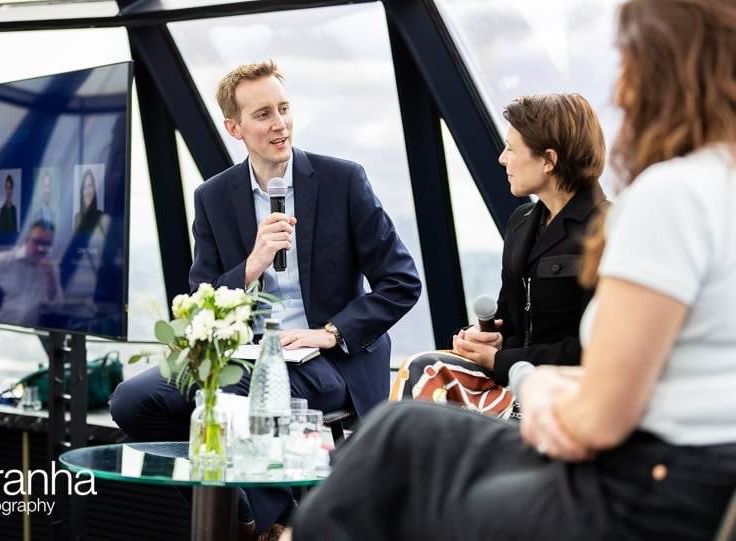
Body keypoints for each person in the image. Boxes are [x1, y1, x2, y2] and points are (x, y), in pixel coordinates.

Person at [289, 0, 736, 539]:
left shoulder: (668, 198)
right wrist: (499, 351)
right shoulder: (712, 191)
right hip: (699, 485)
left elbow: (600, 416)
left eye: (628, 62)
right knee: (399, 427)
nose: (620, 87)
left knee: (393, 448)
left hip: (636, 492)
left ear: (659, 74)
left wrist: (531, 380)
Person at [109, 60, 422, 535]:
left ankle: (267, 525)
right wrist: (252, 264)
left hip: (329, 356)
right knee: (133, 401)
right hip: (245, 352)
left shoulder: (343, 181)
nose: (279, 124)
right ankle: (247, 517)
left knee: (232, 397)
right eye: (262, 115)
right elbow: (201, 298)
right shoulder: (213, 197)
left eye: (284, 108)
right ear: (234, 127)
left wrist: (329, 332)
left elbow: (402, 282)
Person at [393, 94, 607, 406]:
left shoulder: (609, 231)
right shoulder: (521, 223)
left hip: (570, 395)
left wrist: (501, 360)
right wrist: (486, 338)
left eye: (511, 149)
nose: (502, 159)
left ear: (548, 159)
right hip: (514, 381)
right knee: (424, 374)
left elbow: (598, 350)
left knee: (425, 371)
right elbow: (509, 315)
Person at [0, 220, 62, 327]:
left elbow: (54, 306)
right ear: (26, 240)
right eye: (37, 242)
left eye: (46, 244)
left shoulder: (51, 269)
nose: (41, 248)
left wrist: (50, 276)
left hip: (26, 331)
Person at [73, 168, 104, 234]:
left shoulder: (101, 216)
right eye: (85, 187)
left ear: (94, 189)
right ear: (82, 192)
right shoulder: (77, 218)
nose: (87, 191)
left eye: (90, 186)